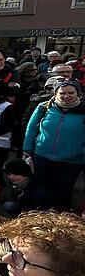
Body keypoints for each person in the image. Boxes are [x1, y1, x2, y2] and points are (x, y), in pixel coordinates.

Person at [23, 80, 85, 211]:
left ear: (78, 94)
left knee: (63, 192)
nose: (66, 96)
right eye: (62, 93)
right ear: (56, 93)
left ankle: (60, 219)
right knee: (40, 188)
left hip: (71, 160)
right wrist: (27, 150)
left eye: (71, 93)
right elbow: (31, 129)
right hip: (41, 156)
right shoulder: (44, 107)